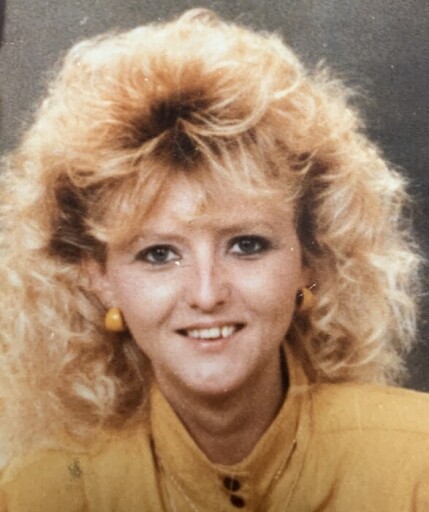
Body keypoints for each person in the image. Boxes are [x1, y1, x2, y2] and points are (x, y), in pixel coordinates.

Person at [0, 8, 428, 511]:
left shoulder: (415, 464)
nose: (206, 294)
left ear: (311, 258)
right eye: (159, 254)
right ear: (99, 278)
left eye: (246, 245)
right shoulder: (40, 493)